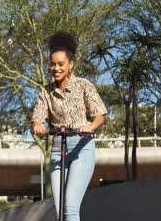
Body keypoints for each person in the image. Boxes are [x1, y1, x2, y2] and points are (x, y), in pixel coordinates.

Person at [32, 31, 107, 221]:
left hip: (82, 147)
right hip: (58, 149)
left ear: (70, 65)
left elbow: (100, 116)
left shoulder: (84, 85)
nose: (56, 68)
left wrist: (90, 126)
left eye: (60, 64)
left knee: (70, 206)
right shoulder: (46, 92)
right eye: (52, 64)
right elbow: (37, 120)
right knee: (60, 210)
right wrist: (38, 126)